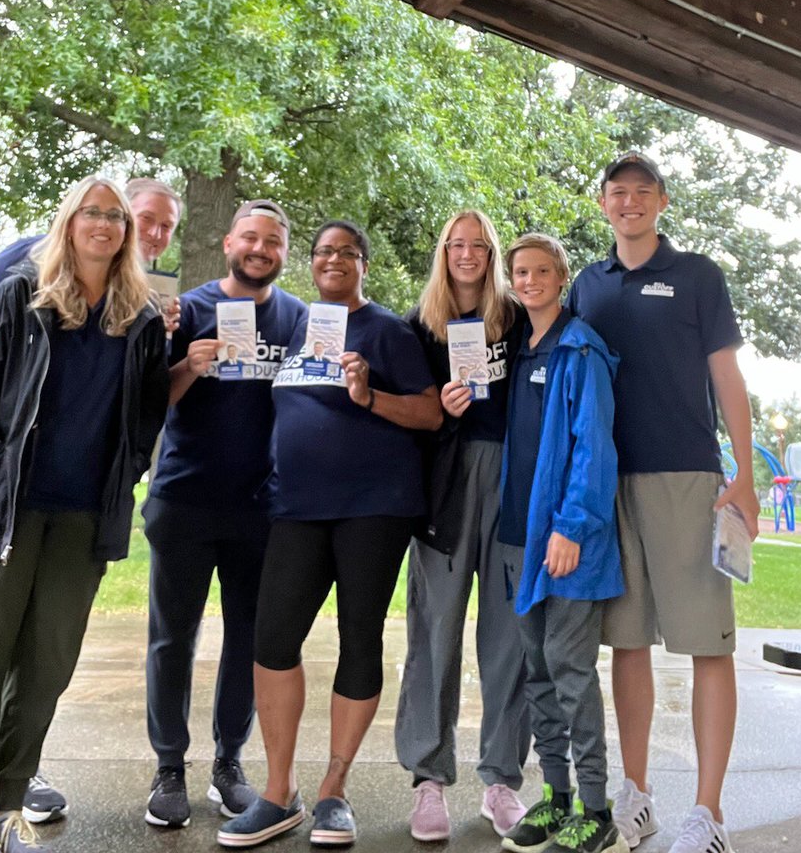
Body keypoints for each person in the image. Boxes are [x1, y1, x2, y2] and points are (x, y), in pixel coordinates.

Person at [0, 177, 180, 823]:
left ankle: (10, 800)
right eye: (93, 212)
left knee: (47, 666)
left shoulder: (139, 319)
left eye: (116, 216)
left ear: (127, 233)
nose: (105, 224)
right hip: (5, 513)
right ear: (71, 221)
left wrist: (129, 468)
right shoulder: (19, 295)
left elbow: (145, 413)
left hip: (83, 520)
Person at [218, 221, 442, 849]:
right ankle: (277, 791)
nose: (334, 260)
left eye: (347, 252)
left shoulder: (389, 332)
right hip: (296, 507)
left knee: (358, 636)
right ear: (309, 265)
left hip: (374, 507)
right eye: (323, 252)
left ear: (364, 264)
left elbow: (427, 412)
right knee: (273, 639)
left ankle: (333, 790)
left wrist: (368, 396)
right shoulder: (295, 327)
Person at [566, 153, 759, 853]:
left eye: (642, 193)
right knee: (626, 641)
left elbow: (726, 372)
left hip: (687, 477)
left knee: (707, 644)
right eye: (617, 193)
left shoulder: (699, 276)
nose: (629, 203)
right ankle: (637, 794)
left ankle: (708, 814)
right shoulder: (587, 284)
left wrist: (743, 472)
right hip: (606, 482)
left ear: (662, 203)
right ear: (602, 204)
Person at [143, 200, 306, 829]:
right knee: (171, 638)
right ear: (228, 241)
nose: (261, 249)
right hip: (184, 496)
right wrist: (189, 362)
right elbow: (149, 399)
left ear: (283, 252)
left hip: (261, 507)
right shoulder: (185, 307)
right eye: (251, 238)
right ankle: (168, 767)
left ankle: (228, 765)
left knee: (249, 640)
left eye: (274, 241)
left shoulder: (298, 317)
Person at [394, 210, 530, 841]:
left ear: (493, 253)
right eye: (457, 244)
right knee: (436, 628)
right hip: (445, 488)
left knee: (510, 636)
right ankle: (428, 779)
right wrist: (440, 410)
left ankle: (501, 778)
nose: (468, 253)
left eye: (479, 244)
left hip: (513, 480)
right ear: (443, 252)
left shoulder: (520, 318)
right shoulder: (420, 325)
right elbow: (409, 414)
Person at [499, 234, 626, 853]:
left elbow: (594, 451)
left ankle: (597, 810)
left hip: (569, 543)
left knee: (571, 671)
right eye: (520, 271)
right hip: (520, 540)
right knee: (538, 673)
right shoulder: (519, 351)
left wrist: (571, 527)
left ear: (561, 276)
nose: (530, 280)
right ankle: (555, 798)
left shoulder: (582, 350)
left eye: (542, 270)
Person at [0, 177, 182, 358]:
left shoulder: (146, 293)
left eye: (167, 226)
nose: (155, 233)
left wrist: (154, 333)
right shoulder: (36, 252)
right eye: (146, 218)